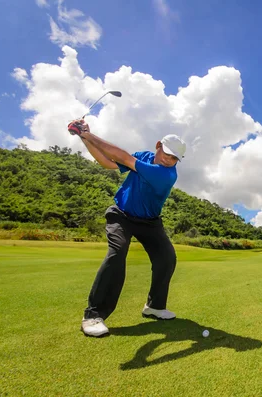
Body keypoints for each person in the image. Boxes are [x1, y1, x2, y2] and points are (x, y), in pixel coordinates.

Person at [68, 119, 187, 337]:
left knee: (166, 258)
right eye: (167, 154)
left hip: (150, 222)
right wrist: (85, 138)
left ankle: (154, 306)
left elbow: (123, 157)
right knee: (117, 252)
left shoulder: (167, 175)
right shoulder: (143, 156)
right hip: (121, 215)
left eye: (175, 158)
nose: (170, 160)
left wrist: (86, 134)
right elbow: (108, 163)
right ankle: (93, 315)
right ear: (158, 145)